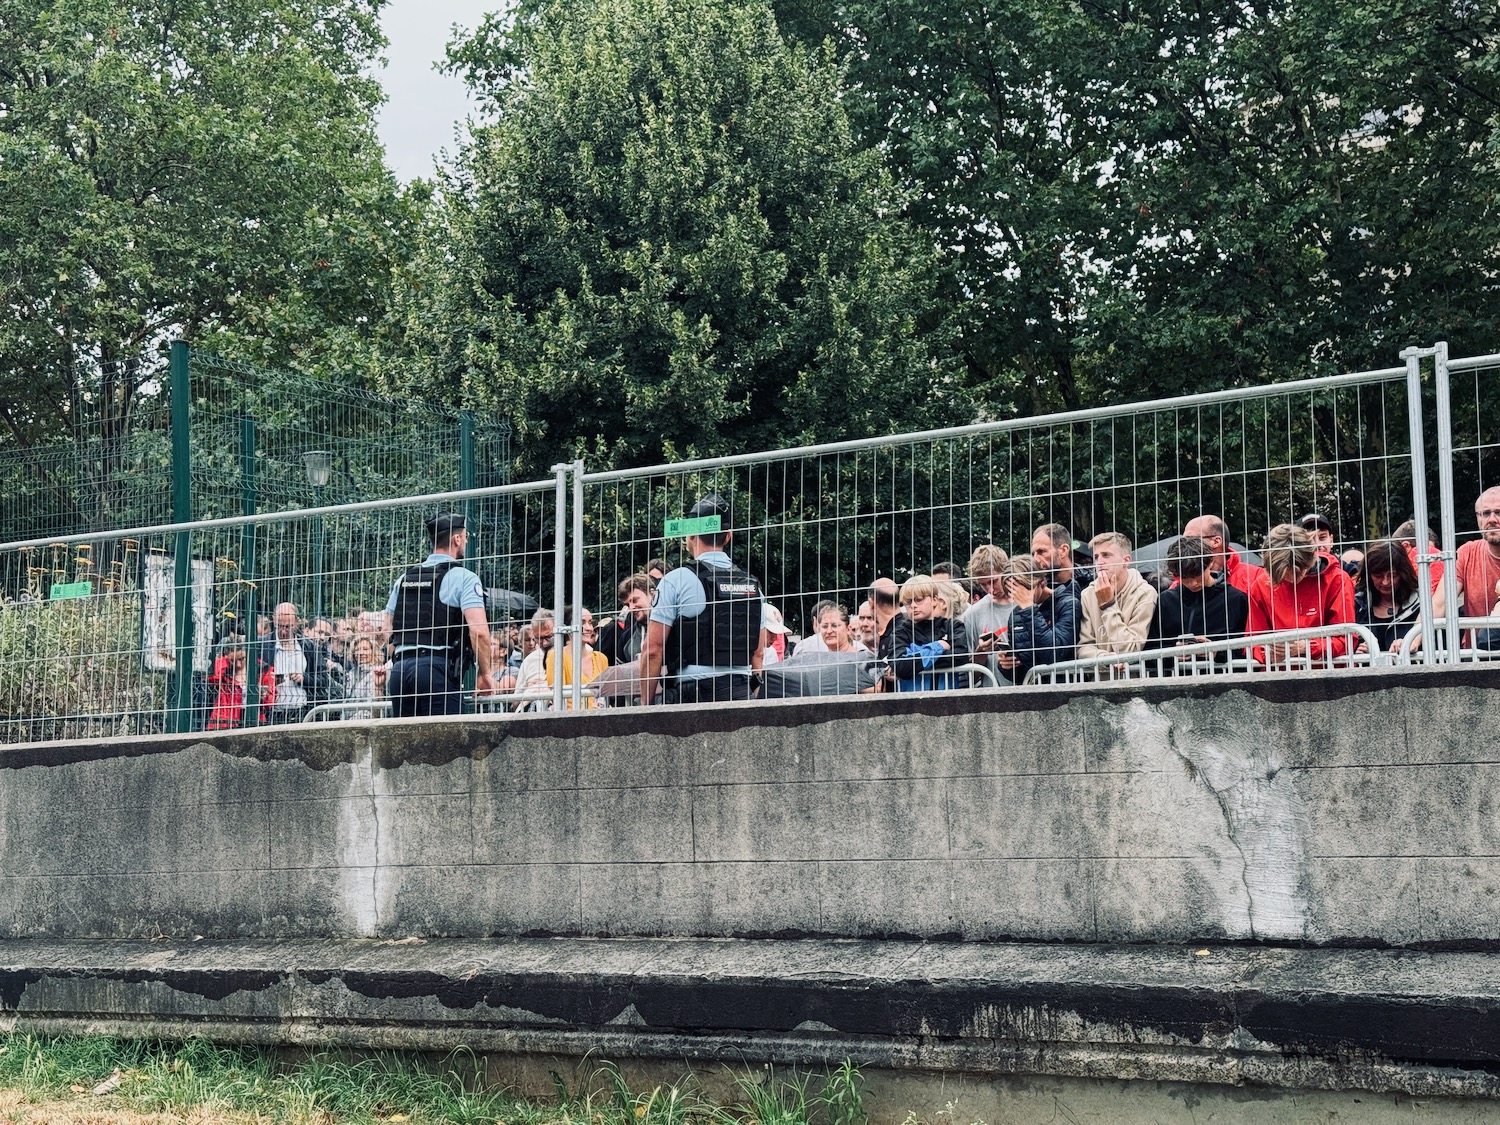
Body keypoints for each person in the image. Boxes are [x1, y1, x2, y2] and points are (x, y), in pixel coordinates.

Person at [640, 494, 765, 705]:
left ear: (690, 536)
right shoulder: (752, 586)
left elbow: (652, 650)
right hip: (740, 692)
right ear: (728, 537)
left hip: (694, 696)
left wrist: (646, 705)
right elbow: (758, 654)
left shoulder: (676, 580)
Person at [384, 512, 496, 717]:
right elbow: (479, 633)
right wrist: (485, 673)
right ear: (456, 539)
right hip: (437, 670)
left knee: (404, 745)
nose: (465, 542)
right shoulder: (464, 578)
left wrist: (401, 659)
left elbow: (387, 629)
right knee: (446, 745)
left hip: (400, 672)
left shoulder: (404, 578)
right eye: (465, 537)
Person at [1246, 523, 1357, 666]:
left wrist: (1306, 647)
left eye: (1299, 572)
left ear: (1310, 558)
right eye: (1284, 574)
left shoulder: (1337, 580)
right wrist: (1267, 654)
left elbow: (1347, 639)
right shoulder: (1261, 584)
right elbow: (1252, 640)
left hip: (1330, 675)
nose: (1293, 578)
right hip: (1280, 676)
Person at [1146, 535, 1250, 673]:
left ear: (1211, 562)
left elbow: (1246, 649)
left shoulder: (1235, 599)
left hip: (1223, 683)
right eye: (1185, 578)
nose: (1193, 583)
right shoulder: (1166, 600)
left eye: (1197, 575)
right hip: (1176, 683)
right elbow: (1149, 651)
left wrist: (1216, 653)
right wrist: (1172, 654)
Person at [1429, 486, 1500, 648]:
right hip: (1476, 657)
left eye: (1499, 512)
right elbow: (1439, 604)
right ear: (1478, 517)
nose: (1492, 520)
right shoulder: (1467, 553)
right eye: (1485, 513)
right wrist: (1412, 639)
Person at [1077, 532, 1158, 665]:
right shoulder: (1088, 594)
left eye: (1106, 555)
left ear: (1126, 561)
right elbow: (1083, 648)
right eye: (1096, 557)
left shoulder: (1145, 593)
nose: (1099, 562)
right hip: (1099, 680)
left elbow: (1130, 651)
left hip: (1134, 680)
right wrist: (1104, 658)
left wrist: (1108, 605)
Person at [998, 555, 1078, 682]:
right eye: (1013, 591)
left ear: (1041, 582)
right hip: (1031, 692)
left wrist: (1029, 610)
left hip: (1066, 690)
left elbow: (1055, 655)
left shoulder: (1068, 603)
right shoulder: (1017, 614)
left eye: (1023, 590)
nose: (1019, 596)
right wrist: (1007, 666)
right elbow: (1020, 675)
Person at [887, 574, 970, 691]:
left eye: (919, 599)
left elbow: (960, 656)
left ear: (935, 600)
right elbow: (900, 666)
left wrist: (914, 659)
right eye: (908, 602)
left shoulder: (953, 626)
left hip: (947, 701)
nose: (913, 606)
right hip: (910, 703)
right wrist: (938, 647)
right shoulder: (900, 632)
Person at [262, 601, 340, 723]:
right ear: (274, 619)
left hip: (303, 713)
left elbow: (324, 679)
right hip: (270, 714)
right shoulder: (262, 645)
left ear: (297, 622)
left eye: (288, 627)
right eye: (279, 626)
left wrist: (303, 678)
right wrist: (266, 682)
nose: (283, 631)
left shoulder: (310, 647)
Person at [1354, 540, 1422, 653]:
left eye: (1392, 575)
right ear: (1368, 574)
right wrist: (1359, 653)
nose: (1385, 582)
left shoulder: (1420, 602)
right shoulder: (1357, 604)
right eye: (1378, 576)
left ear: (1403, 573)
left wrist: (1409, 645)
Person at [206, 630, 275, 730]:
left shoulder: (263, 669)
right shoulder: (224, 670)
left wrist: (264, 697)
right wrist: (224, 661)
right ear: (226, 658)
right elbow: (213, 677)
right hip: (225, 720)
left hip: (255, 719)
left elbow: (271, 700)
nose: (238, 664)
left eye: (241, 659)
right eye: (232, 660)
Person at [1181, 515, 1265, 594]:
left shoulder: (1256, 577)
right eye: (1184, 540)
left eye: (1191, 539)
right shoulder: (1182, 580)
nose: (1185, 544)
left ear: (1216, 541)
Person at [598, 574, 653, 665]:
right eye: (627, 605)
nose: (631, 608)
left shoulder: (673, 627)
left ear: (652, 593)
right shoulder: (626, 638)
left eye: (635, 600)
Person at [1030, 523, 1091, 598]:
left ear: (1063, 550)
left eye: (1041, 551)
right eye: (1034, 553)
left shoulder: (1091, 580)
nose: (1036, 559)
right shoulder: (1036, 587)